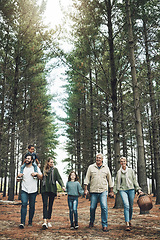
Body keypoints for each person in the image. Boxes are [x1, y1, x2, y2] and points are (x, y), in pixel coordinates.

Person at [84, 153, 114, 232]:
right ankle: (91, 221)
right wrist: (85, 189)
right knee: (92, 207)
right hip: (93, 191)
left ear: (102, 159)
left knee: (104, 207)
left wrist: (111, 191)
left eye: (99, 158)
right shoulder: (91, 167)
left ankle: (104, 225)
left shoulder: (106, 168)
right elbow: (87, 178)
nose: (98, 159)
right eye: (97, 158)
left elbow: (109, 179)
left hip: (103, 190)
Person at [113, 157, 143, 231]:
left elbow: (134, 180)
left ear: (126, 162)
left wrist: (138, 189)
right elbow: (116, 182)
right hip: (123, 190)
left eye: (124, 161)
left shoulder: (130, 171)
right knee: (126, 205)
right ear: (120, 163)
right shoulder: (118, 172)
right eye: (121, 161)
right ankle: (127, 223)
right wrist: (114, 192)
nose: (123, 163)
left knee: (130, 206)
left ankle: (129, 220)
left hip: (131, 189)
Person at [17, 153, 43, 229]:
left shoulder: (36, 168)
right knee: (24, 204)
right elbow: (18, 179)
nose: (27, 160)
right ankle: (22, 222)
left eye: (28, 158)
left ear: (32, 160)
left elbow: (41, 177)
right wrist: (18, 177)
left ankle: (30, 221)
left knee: (32, 206)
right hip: (24, 189)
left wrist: (36, 174)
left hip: (33, 190)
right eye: (26, 158)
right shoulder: (23, 168)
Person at [41, 157, 65, 229]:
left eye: (53, 162)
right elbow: (40, 178)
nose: (52, 163)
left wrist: (62, 186)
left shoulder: (55, 170)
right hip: (45, 189)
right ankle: (44, 222)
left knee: (50, 205)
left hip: (52, 190)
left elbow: (59, 178)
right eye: (51, 162)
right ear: (47, 163)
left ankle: (49, 221)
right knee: (45, 204)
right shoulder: (44, 170)